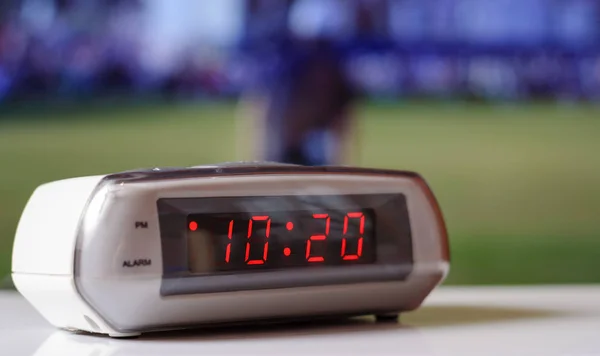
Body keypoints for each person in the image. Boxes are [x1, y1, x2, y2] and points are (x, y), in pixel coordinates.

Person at [236, 0, 358, 166]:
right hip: (284, 150)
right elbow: (262, 112)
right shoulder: (284, 69)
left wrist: (338, 167)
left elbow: (342, 123)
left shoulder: (338, 72)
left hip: (316, 149)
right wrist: (263, 162)